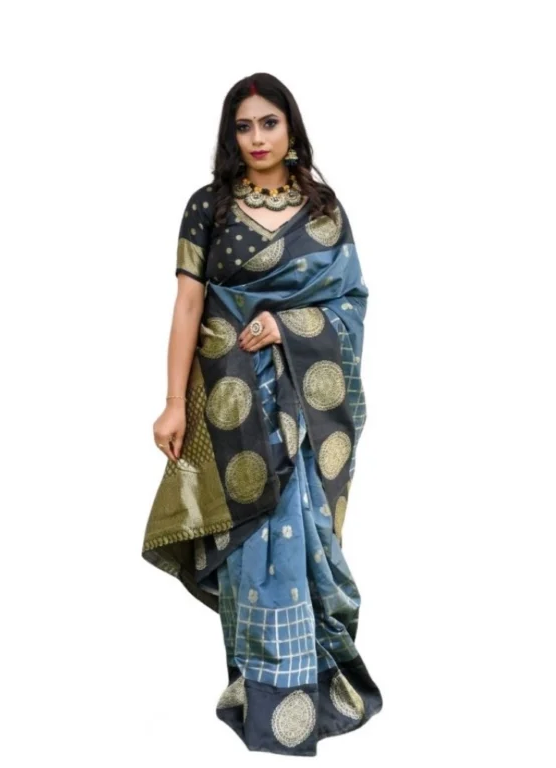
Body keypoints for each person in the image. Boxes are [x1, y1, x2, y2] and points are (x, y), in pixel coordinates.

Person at [141, 72, 383, 756]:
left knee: (307, 543)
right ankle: (265, 696)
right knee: (251, 550)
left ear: (291, 128)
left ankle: (319, 688)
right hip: (230, 405)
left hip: (304, 411)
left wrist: (288, 325)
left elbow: (350, 305)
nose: (256, 138)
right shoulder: (208, 207)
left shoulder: (324, 209)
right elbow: (189, 305)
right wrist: (171, 403)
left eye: (268, 123)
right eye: (243, 126)